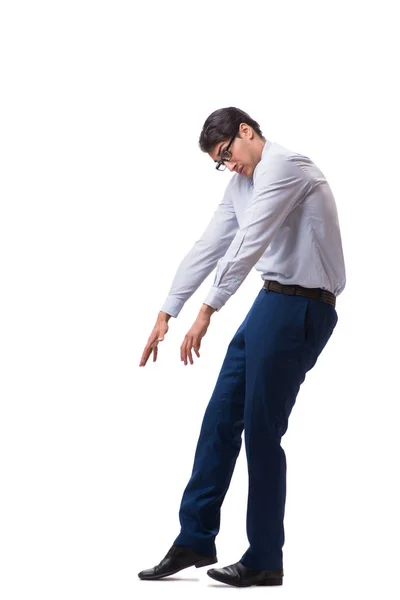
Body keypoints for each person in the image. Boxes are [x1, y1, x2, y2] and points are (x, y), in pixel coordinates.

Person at [137, 107, 346, 587]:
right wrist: (168, 310)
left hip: (304, 308)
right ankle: (194, 538)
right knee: (220, 417)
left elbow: (250, 242)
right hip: (271, 300)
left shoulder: (285, 168)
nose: (229, 165)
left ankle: (265, 558)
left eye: (228, 153)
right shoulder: (242, 185)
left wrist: (208, 310)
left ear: (247, 132)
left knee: (261, 428)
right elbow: (211, 244)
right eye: (220, 161)